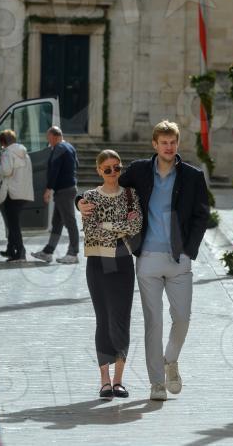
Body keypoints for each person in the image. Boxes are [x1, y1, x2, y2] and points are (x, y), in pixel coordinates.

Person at [79, 120, 209, 402]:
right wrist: (80, 200)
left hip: (179, 259)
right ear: (155, 144)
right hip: (147, 258)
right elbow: (109, 184)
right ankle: (157, 384)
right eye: (164, 143)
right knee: (154, 322)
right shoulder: (139, 171)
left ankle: (170, 359)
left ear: (177, 144)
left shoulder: (193, 176)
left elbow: (202, 215)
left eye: (172, 142)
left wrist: (189, 250)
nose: (169, 147)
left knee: (182, 318)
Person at [80, 150, 142, 399]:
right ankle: (104, 380)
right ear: (99, 171)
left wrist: (105, 225)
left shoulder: (130, 195)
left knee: (121, 319)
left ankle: (119, 381)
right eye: (107, 169)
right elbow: (91, 231)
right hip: (98, 262)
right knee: (103, 319)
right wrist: (119, 226)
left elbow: (136, 225)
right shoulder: (89, 197)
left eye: (117, 167)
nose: (113, 173)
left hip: (122, 260)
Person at [32, 126, 80, 264]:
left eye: (49, 138)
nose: (49, 142)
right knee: (57, 223)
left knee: (70, 222)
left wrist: (48, 189)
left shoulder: (58, 148)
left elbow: (54, 170)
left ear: (54, 136)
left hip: (64, 190)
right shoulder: (69, 147)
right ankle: (48, 252)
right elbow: (76, 164)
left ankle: (73, 253)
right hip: (67, 189)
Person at [0, 129, 34, 262]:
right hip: (23, 192)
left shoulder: (8, 153)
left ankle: (21, 251)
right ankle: (11, 249)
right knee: (12, 223)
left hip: (12, 193)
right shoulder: (24, 153)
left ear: (3, 142)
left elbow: (6, 171)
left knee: (13, 225)